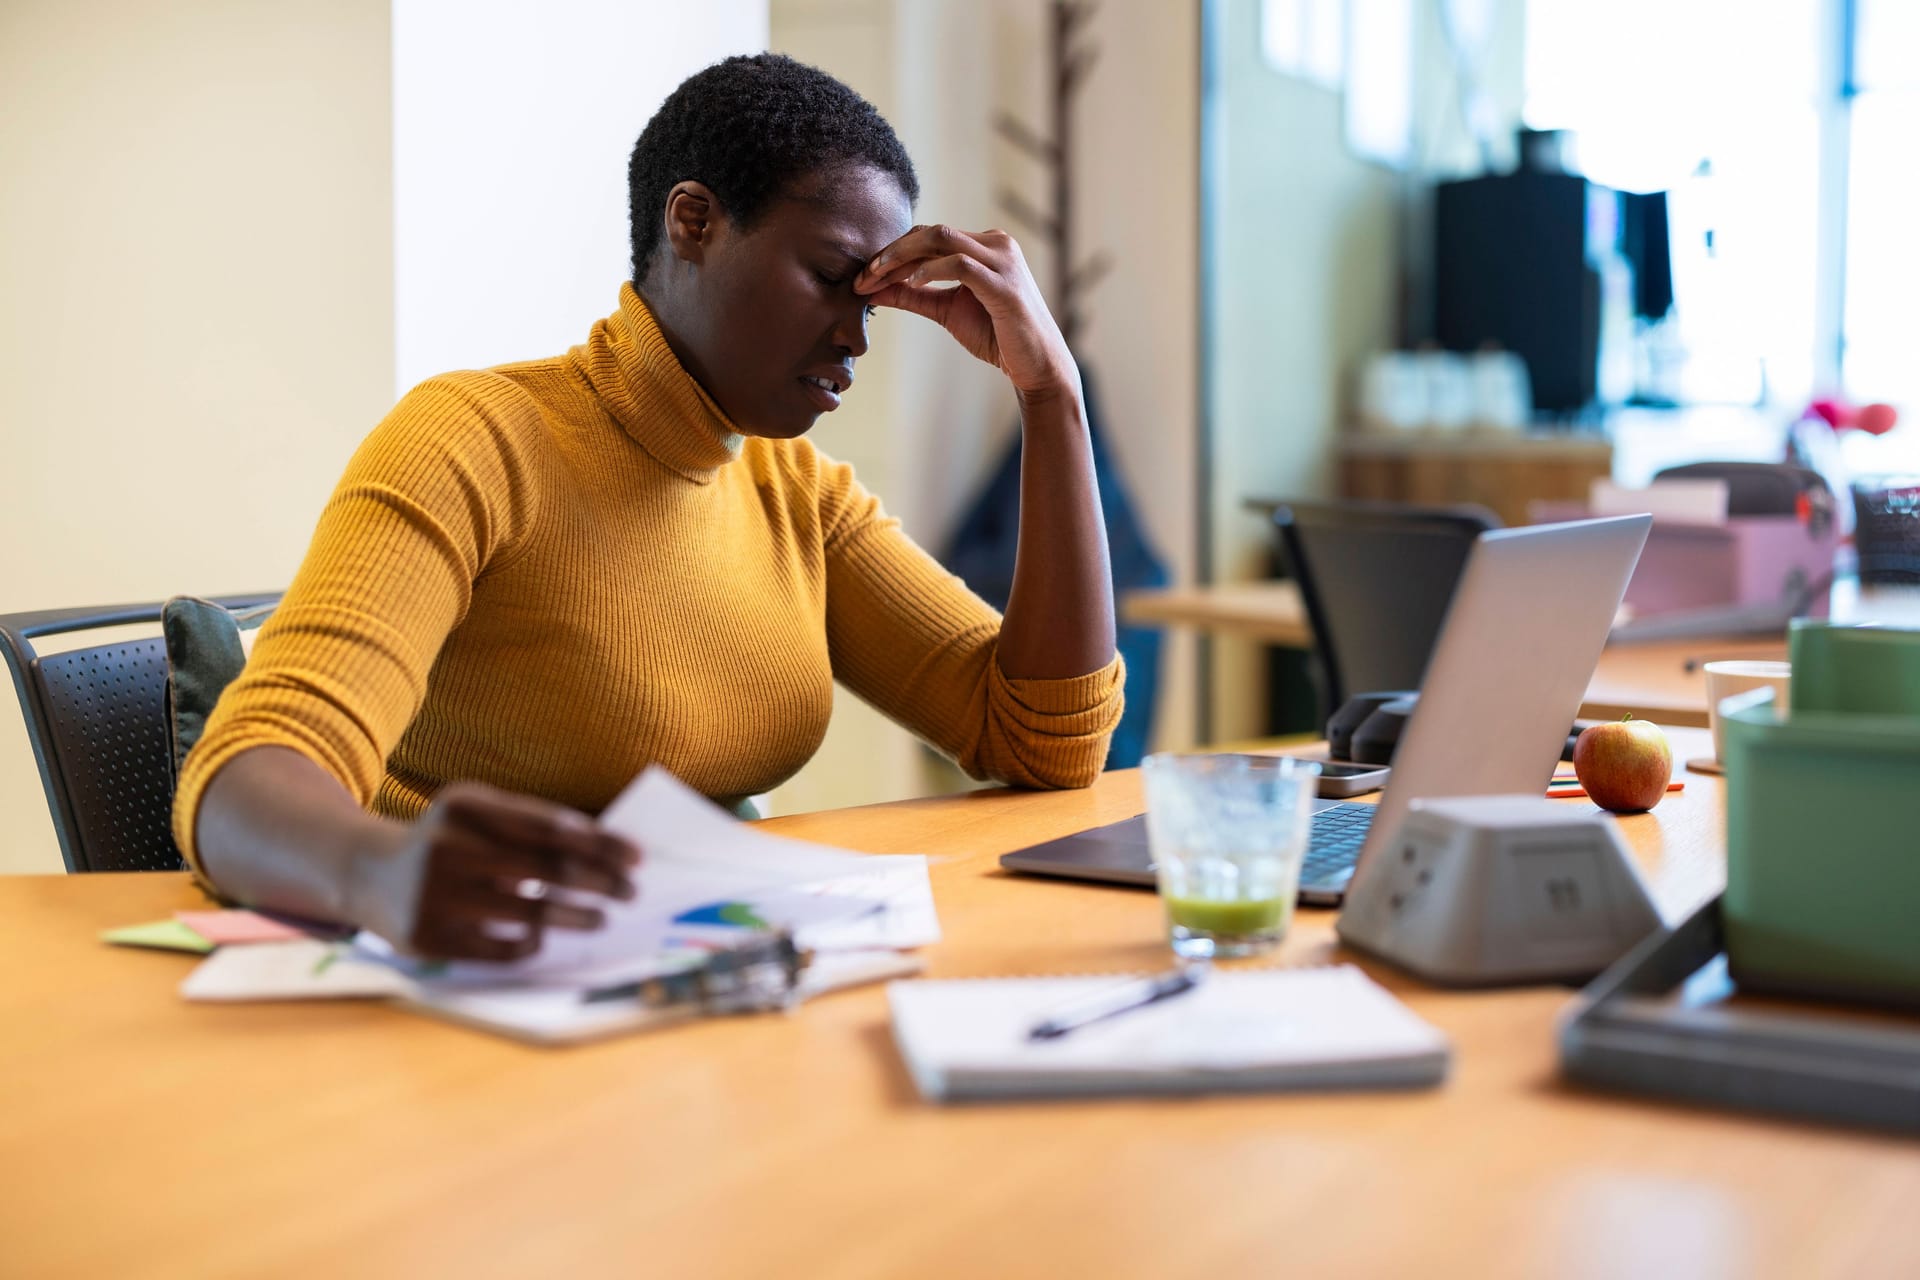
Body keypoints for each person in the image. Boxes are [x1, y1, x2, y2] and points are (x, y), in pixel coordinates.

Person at [174, 53, 1122, 961]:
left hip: (688, 989)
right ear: (694, 221)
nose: (855, 338)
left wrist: (1052, 396)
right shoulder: (474, 439)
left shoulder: (798, 497)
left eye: (873, 305)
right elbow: (245, 780)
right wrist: (379, 873)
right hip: (457, 988)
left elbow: (1043, 741)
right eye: (833, 279)